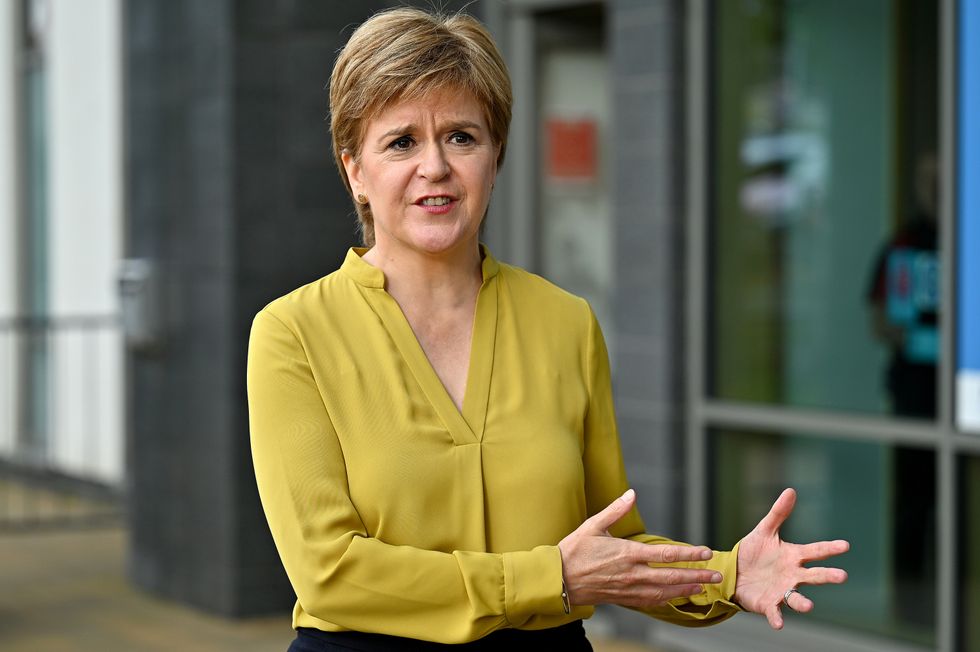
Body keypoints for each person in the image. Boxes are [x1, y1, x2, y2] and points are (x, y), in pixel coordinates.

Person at [247, 8, 850, 650]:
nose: (435, 166)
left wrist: (728, 577)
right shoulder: (293, 334)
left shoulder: (566, 323)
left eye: (461, 137)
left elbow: (612, 547)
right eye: (402, 142)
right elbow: (329, 574)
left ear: (495, 157)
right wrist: (549, 578)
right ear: (355, 172)